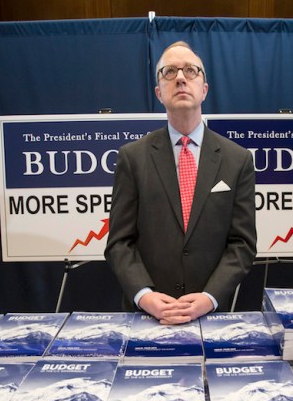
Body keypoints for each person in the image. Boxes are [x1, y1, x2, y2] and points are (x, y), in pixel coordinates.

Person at [105, 41, 257, 325]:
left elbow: (242, 244)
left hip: (210, 315)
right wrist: (145, 295)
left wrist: (210, 297)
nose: (180, 77)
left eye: (190, 70)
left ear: (204, 89)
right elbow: (119, 243)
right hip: (147, 315)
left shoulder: (238, 160)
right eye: (169, 72)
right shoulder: (132, 157)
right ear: (158, 93)